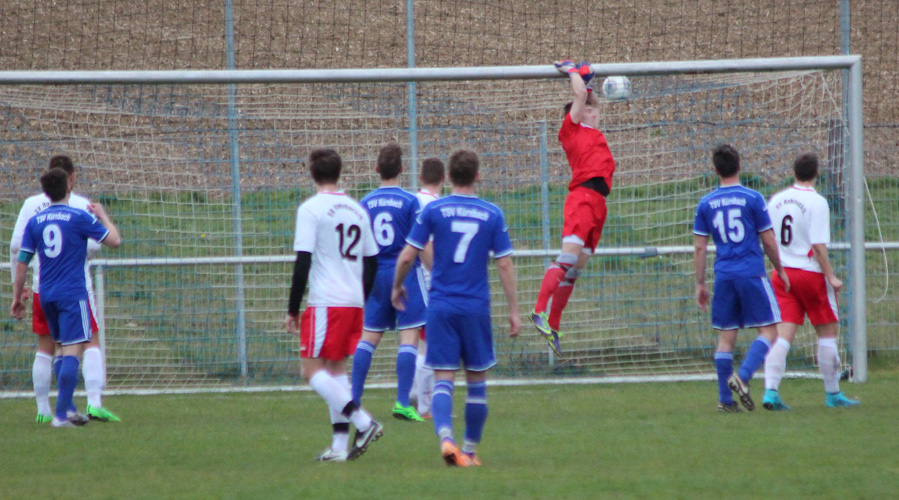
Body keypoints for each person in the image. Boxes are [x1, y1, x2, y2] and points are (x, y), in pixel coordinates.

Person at [392, 148, 522, 467]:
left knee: (443, 378)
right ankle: (471, 451)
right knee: (476, 380)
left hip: (441, 306)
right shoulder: (492, 213)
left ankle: (446, 438)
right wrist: (514, 309)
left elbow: (408, 255)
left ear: (449, 177)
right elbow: (504, 265)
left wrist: (397, 286)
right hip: (475, 308)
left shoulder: (435, 211)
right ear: (478, 176)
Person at [284, 148, 383, 462]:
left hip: (327, 301)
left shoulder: (311, 209)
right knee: (335, 368)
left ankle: (364, 422)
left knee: (310, 371)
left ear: (312, 173)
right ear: (339, 173)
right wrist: (360, 296)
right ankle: (340, 447)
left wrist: (292, 308)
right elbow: (373, 262)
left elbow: (303, 262)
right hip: (353, 302)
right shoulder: (356, 209)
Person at [9, 155, 121, 424]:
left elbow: (20, 257)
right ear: (69, 184)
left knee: (56, 349)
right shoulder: (79, 214)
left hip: (44, 293)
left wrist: (16, 296)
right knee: (75, 348)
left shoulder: (35, 220)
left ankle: (52, 409)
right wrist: (103, 215)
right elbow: (114, 241)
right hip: (73, 292)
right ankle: (64, 413)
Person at [693, 144, 790, 412]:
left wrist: (700, 284)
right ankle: (743, 376)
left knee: (726, 338)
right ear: (740, 165)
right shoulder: (753, 198)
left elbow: (700, 247)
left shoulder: (706, 203)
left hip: (724, 276)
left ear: (715, 170)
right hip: (751, 273)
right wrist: (780, 269)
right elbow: (768, 240)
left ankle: (726, 401)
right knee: (769, 330)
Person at [763, 153, 860, 409]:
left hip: (782, 274)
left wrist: (777, 267)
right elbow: (818, 246)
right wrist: (831, 276)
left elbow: (769, 238)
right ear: (817, 173)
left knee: (783, 336)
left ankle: (770, 392)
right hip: (810, 274)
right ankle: (833, 395)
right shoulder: (817, 202)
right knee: (827, 333)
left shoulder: (777, 200)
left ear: (794, 172)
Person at [532, 60, 614, 356]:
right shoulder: (572, 129)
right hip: (582, 198)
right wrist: (571, 71)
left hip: (598, 204)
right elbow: (580, 96)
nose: (596, 107)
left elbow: (587, 95)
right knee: (567, 257)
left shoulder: (594, 134)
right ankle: (539, 310)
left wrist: (588, 79)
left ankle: (553, 324)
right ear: (579, 114)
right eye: (591, 106)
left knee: (576, 269)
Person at [351, 143, 429, 422]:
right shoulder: (410, 202)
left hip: (374, 273)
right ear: (401, 169)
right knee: (408, 336)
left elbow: (358, 245)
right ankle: (401, 402)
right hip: (404, 272)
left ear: (376, 169)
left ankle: (354, 401)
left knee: (369, 336)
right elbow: (418, 244)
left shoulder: (365, 203)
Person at [410, 157, 445, 419]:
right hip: (428, 280)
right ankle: (425, 405)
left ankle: (413, 391)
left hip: (409, 278)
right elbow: (425, 247)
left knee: (415, 340)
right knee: (428, 343)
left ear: (421, 178)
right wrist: (439, 276)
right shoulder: (435, 206)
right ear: (443, 180)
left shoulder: (413, 201)